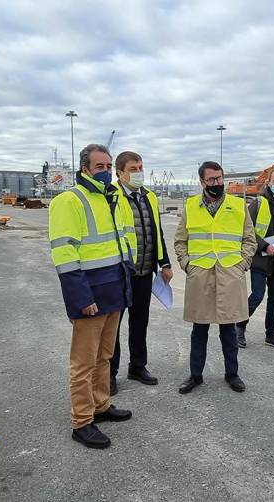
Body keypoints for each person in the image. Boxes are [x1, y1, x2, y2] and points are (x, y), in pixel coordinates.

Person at [48, 143, 133, 449]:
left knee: (105, 356)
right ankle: (82, 421)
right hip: (91, 294)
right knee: (84, 362)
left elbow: (124, 241)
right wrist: (81, 297)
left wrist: (127, 279)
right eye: (100, 166)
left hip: (114, 290)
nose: (107, 170)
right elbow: (65, 253)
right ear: (85, 169)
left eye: (109, 165)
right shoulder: (69, 201)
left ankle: (101, 405)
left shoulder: (113, 198)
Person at [174, 161, 256, 394]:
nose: (217, 183)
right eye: (211, 180)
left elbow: (249, 240)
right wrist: (187, 264)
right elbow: (180, 241)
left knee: (228, 329)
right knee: (199, 330)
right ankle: (195, 375)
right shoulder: (191, 206)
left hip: (230, 274)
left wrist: (243, 264)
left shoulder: (239, 206)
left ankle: (232, 374)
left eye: (219, 179)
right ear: (202, 181)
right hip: (200, 275)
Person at [109, 151, 173, 396]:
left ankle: (137, 366)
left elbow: (156, 232)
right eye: (133, 168)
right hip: (120, 273)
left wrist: (164, 263)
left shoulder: (150, 197)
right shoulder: (111, 196)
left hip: (145, 271)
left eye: (140, 167)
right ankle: (110, 373)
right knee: (113, 326)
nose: (138, 172)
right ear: (120, 173)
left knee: (140, 322)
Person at [236, 167, 274, 350]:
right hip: (260, 259)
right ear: (268, 183)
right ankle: (239, 327)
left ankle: (271, 334)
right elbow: (247, 230)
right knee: (257, 295)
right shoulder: (258, 204)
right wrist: (265, 246)